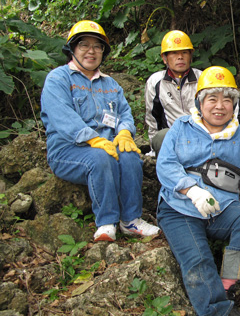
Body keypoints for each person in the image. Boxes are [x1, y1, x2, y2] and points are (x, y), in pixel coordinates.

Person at [156, 66, 240, 316]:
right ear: (200, 102)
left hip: (222, 207)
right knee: (197, 259)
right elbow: (166, 164)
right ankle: (216, 314)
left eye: (227, 100)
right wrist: (191, 189)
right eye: (212, 99)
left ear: (234, 104)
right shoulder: (182, 127)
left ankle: (229, 285)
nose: (220, 106)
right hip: (179, 208)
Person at [40, 20, 160, 242]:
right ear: (72, 49)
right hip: (68, 151)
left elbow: (124, 114)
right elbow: (62, 117)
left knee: (131, 156)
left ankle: (131, 220)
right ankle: (106, 222)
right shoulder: (58, 79)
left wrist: (124, 132)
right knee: (100, 157)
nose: (91, 51)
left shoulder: (111, 84)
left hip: (107, 145)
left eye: (97, 46)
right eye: (84, 45)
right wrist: (93, 139)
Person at [145, 30, 202, 155]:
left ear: (190, 56)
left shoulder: (203, 79)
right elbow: (153, 117)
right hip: (172, 136)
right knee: (161, 137)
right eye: (174, 53)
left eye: (184, 52)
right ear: (164, 58)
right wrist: (153, 146)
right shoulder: (155, 81)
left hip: (201, 135)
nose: (180, 57)